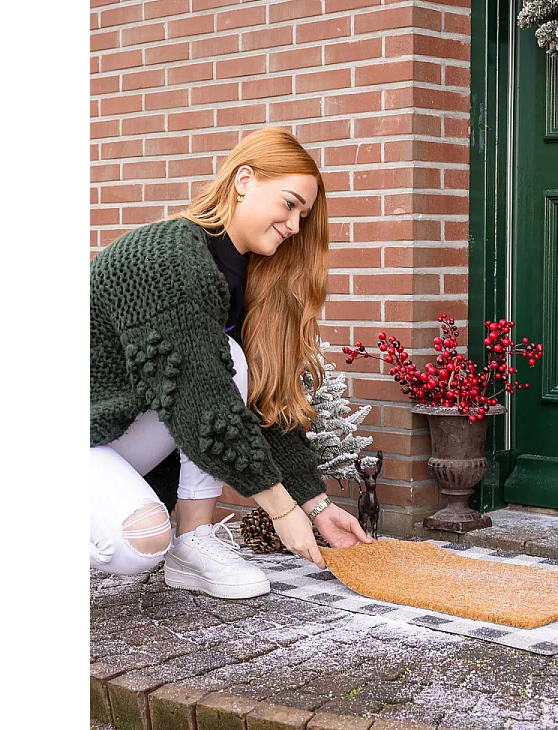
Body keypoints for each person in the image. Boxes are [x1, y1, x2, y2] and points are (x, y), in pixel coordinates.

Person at [90, 127, 373, 599]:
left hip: (116, 437)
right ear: (244, 180)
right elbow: (201, 403)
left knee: (234, 360)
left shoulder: (243, 276)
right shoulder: (165, 257)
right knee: (140, 542)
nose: (294, 225)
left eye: (303, 215)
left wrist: (316, 505)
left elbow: (256, 402)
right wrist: (282, 510)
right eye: (289, 204)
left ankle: (194, 540)